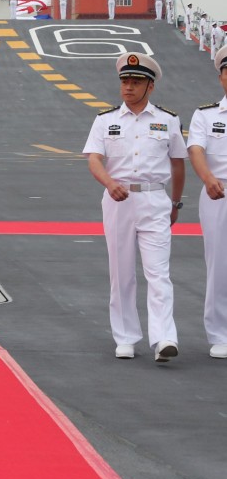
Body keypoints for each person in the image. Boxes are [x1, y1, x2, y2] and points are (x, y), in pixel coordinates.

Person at [83, 53, 185, 362]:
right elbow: (94, 159)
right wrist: (109, 183)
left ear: (150, 86)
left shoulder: (167, 120)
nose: (128, 87)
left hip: (155, 199)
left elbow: (178, 164)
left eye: (136, 81)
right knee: (121, 272)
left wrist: (176, 202)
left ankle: (164, 337)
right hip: (118, 200)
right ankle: (125, 336)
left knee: (159, 272)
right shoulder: (105, 120)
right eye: (125, 81)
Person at [186, 45, 227, 359]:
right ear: (221, 76)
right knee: (220, 264)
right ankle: (220, 333)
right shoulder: (206, 114)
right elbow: (196, 149)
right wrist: (207, 178)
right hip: (219, 191)